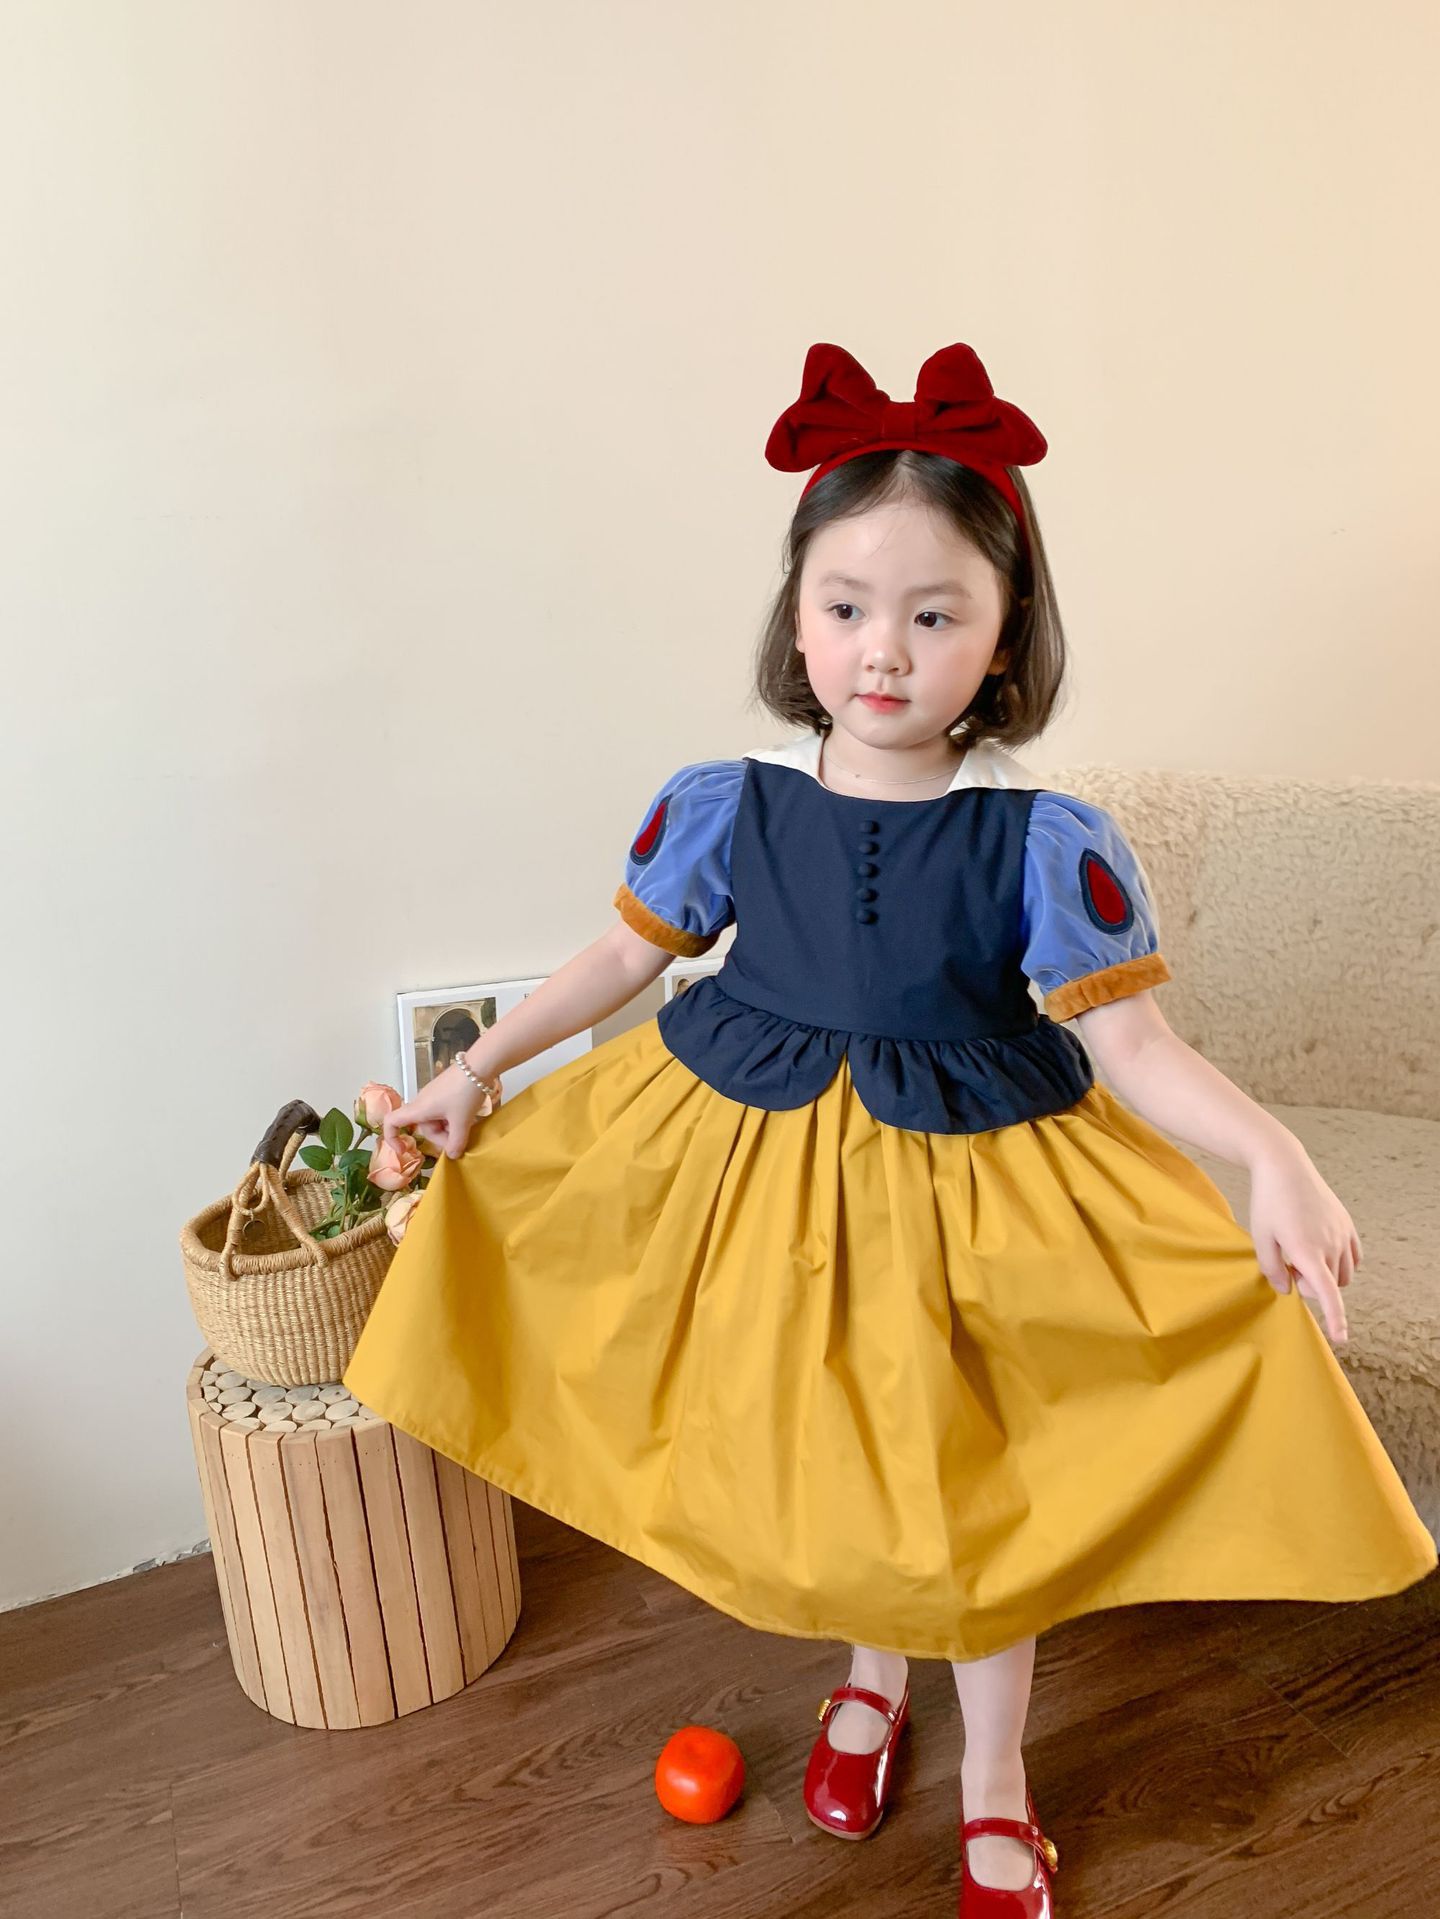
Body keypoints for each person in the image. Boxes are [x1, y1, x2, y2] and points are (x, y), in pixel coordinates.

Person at [342, 341, 1436, 1919]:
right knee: (848, 1467)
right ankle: (870, 1680)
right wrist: (481, 1067)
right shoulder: (727, 806)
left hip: (976, 1209)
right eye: (848, 605)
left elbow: (1133, 1045)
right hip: (770, 1197)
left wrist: (1278, 1155)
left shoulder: (1043, 841)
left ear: (1003, 637)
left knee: (972, 1492)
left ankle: (994, 1771)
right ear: (797, 616)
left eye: (935, 615)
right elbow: (619, 963)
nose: (884, 650)